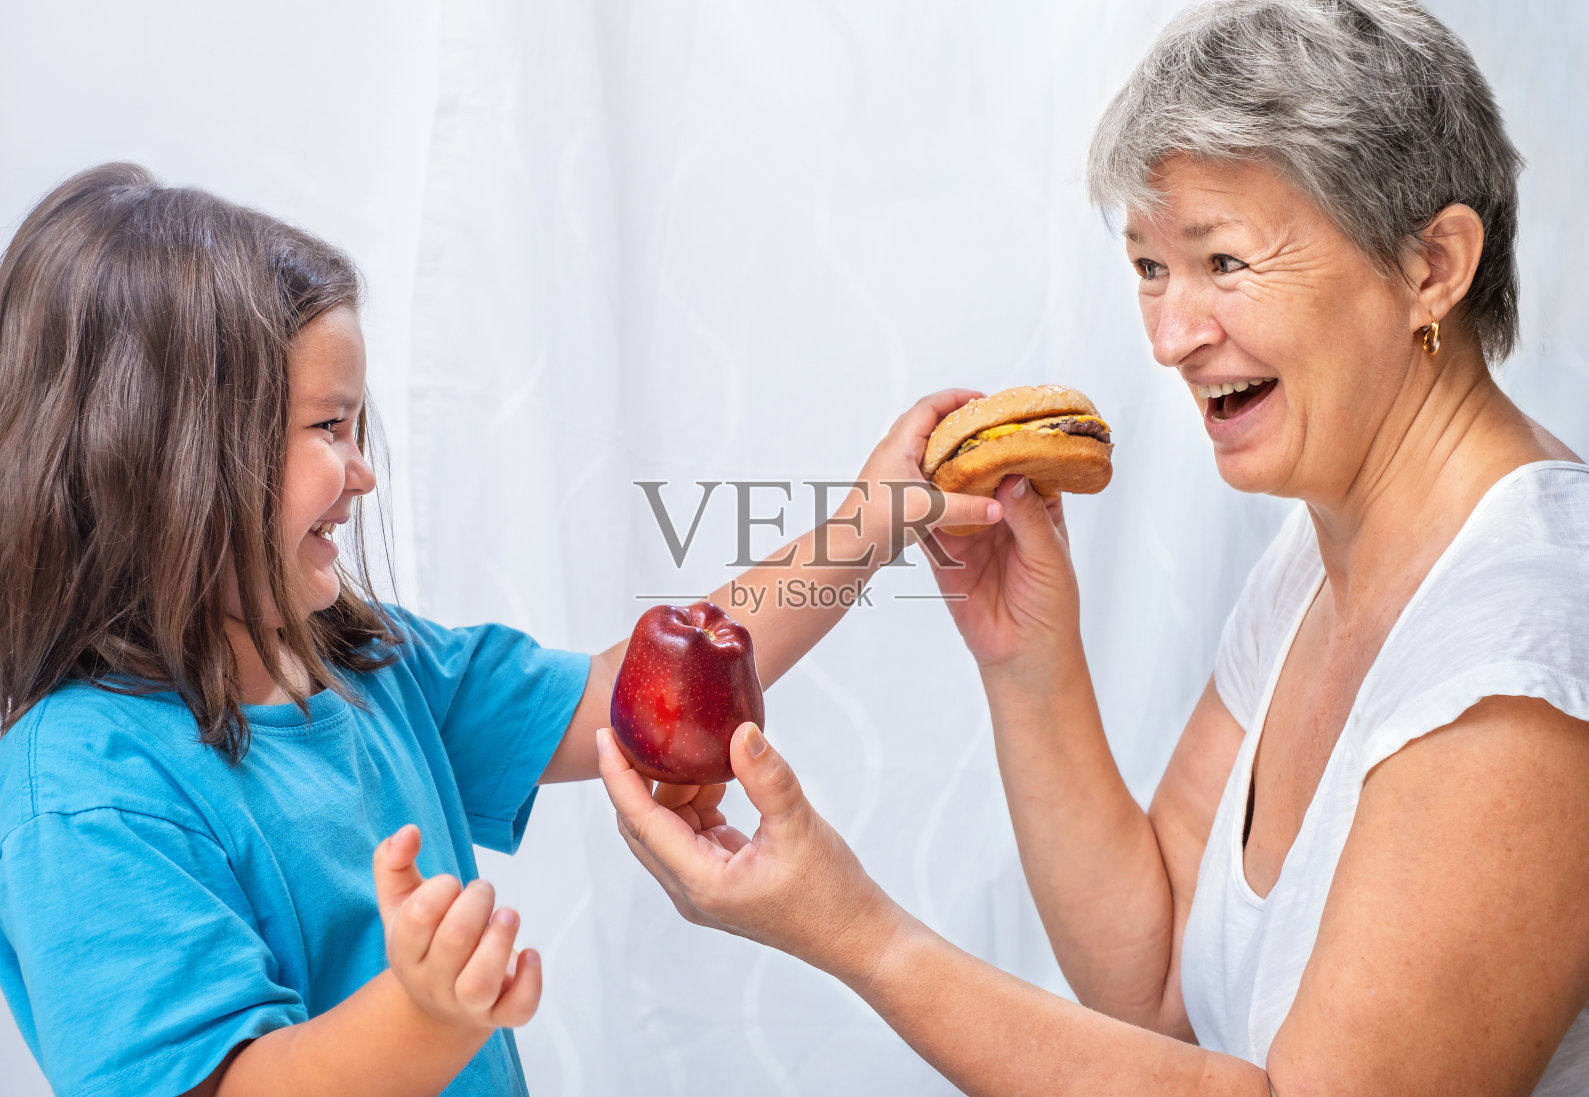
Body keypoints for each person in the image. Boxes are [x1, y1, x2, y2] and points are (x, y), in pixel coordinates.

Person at [597, 1, 1589, 1094]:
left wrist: (858, 933)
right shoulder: (1323, 552)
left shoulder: (1525, 657)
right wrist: (1028, 659)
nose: (1171, 337)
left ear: (1432, 264)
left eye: (1222, 260)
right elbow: (1153, 977)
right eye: (1150, 268)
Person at [0, 163, 1000, 1097]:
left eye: (358, 428)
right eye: (328, 427)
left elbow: (638, 692)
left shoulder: (371, 665)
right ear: (164, 454)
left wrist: (870, 522)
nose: (363, 472)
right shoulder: (82, 790)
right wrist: (427, 1015)